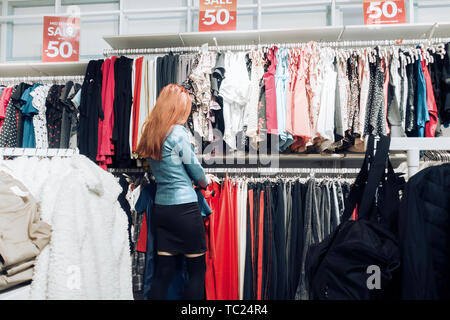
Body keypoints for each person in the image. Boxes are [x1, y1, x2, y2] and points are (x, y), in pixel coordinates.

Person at [136, 84, 210, 300]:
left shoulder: (150, 131)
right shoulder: (177, 132)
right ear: (177, 108)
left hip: (162, 209)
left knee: (164, 272)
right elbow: (194, 166)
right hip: (185, 209)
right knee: (197, 271)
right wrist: (204, 182)